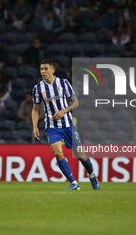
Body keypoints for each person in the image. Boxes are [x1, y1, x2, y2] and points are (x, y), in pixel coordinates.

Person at [32, 59, 100, 191]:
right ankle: (74, 183)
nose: (43, 72)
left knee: (81, 156)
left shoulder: (63, 83)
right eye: (41, 69)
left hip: (68, 124)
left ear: (53, 70)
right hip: (52, 126)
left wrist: (64, 111)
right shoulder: (38, 88)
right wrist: (35, 126)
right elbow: (35, 109)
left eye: (45, 69)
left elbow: (75, 103)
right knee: (57, 153)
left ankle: (91, 174)